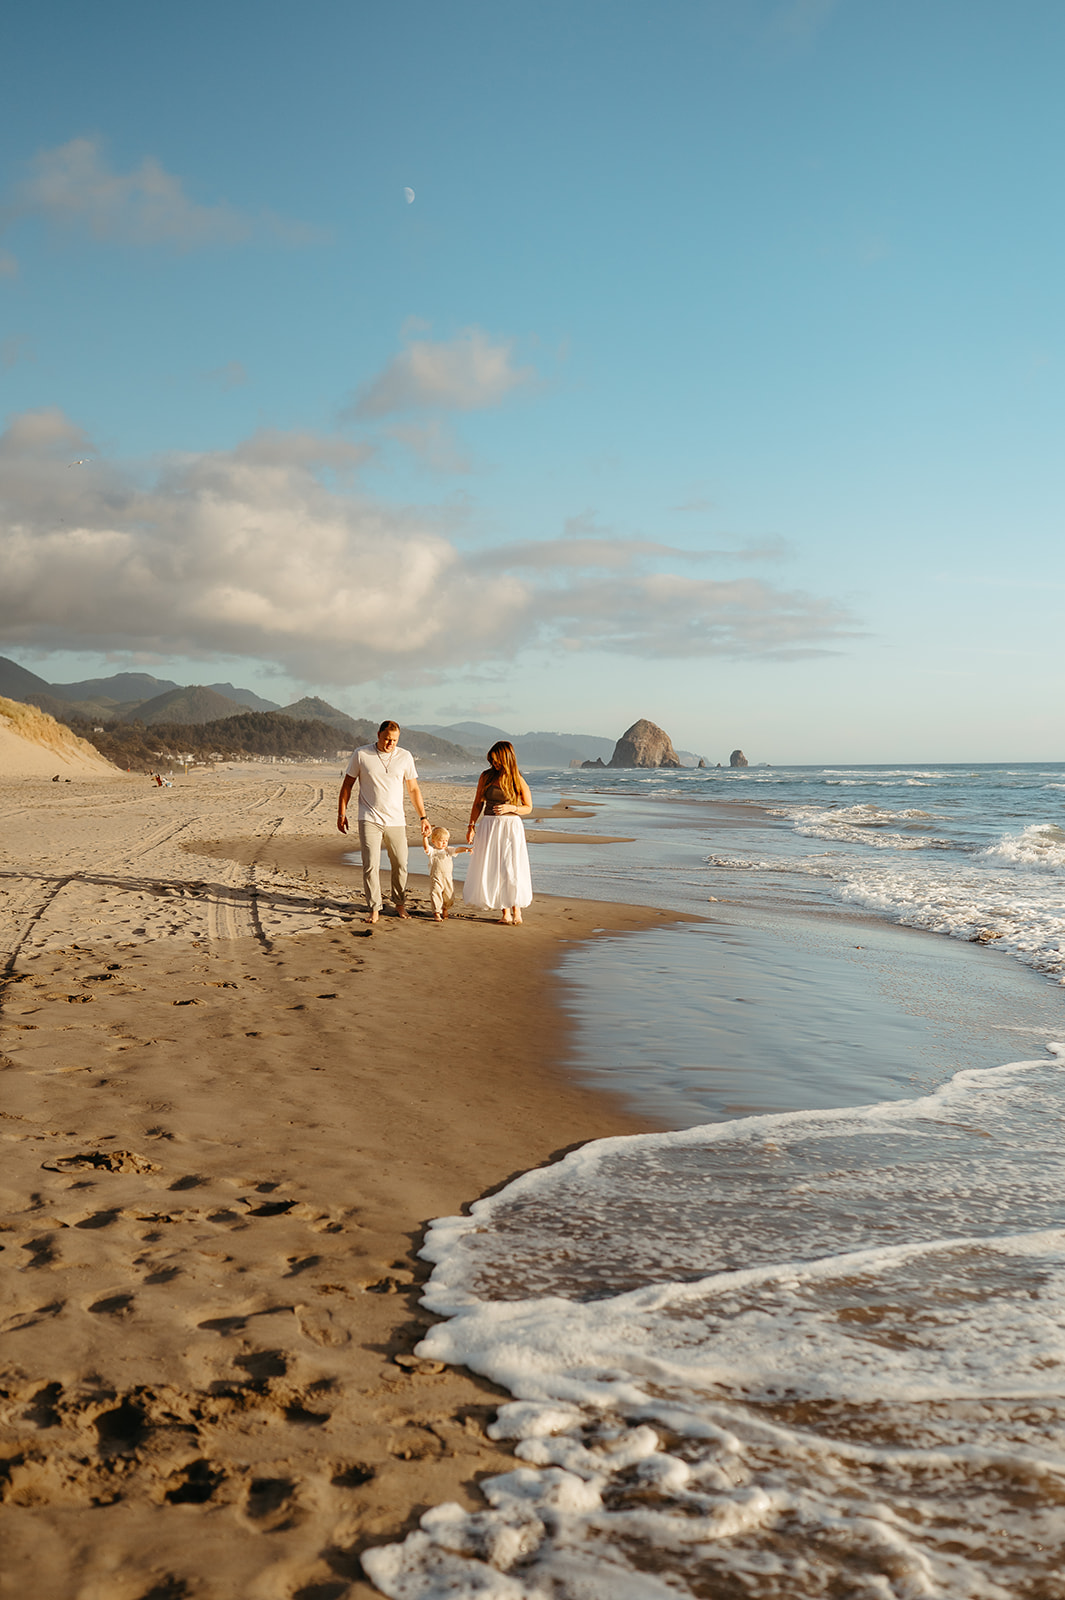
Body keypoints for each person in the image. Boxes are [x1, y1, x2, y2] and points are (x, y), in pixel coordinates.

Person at [337, 720, 431, 923]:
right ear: (378, 734)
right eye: (387, 739)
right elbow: (347, 785)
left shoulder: (405, 756)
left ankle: (399, 904)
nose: (390, 744)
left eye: (395, 740)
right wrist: (341, 813)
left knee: (401, 864)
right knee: (371, 864)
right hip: (369, 818)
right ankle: (374, 908)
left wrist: (423, 817)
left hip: (396, 820)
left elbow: (413, 790)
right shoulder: (361, 754)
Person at [464, 741, 534, 925]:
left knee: (511, 866)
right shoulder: (486, 776)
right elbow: (478, 803)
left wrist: (512, 807)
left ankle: (516, 910)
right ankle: (505, 912)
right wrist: (471, 826)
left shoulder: (516, 778)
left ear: (506, 758)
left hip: (511, 826)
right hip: (489, 826)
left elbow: (528, 807)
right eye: (492, 760)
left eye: (497, 761)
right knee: (496, 866)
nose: (494, 764)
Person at [423, 826, 471, 922]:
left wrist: (466, 849)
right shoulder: (433, 852)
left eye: (446, 840)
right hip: (436, 876)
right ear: (434, 841)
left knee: (449, 895)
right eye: (441, 841)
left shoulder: (448, 850)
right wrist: (424, 837)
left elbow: (457, 849)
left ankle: (445, 908)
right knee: (435, 893)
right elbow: (426, 847)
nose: (444, 843)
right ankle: (436, 912)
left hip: (448, 877)